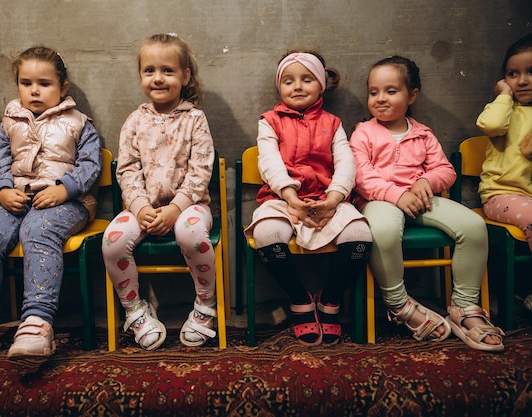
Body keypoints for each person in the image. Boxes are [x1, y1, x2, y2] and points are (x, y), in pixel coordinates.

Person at [0, 46, 101, 362]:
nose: (34, 91)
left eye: (44, 83)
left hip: (66, 202)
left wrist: (64, 189)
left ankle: (37, 322)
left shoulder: (80, 123)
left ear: (63, 87)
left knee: (38, 231)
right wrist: (0, 191)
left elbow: (91, 166)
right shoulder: (9, 122)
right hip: (13, 198)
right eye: (26, 83)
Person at [350, 55, 505, 352]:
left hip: (423, 200)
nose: (380, 98)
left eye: (391, 91)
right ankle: (398, 305)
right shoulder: (363, 133)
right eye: (373, 92)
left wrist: (425, 182)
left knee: (473, 225)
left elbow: (445, 170)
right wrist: (397, 195)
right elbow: (362, 178)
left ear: (413, 95)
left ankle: (464, 307)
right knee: (380, 229)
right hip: (381, 201)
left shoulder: (422, 134)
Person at [243, 50, 372, 346]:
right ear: (279, 86)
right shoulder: (269, 121)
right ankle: (300, 300)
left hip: (328, 199)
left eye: (306, 79)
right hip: (281, 197)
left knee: (360, 236)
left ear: (321, 85)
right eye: (288, 81)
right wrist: (290, 197)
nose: (297, 86)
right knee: (267, 235)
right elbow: (269, 162)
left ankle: (329, 299)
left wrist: (333, 198)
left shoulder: (333, 123)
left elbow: (346, 163)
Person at [102, 33, 217, 351]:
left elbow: (201, 171)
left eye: (167, 70)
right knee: (112, 243)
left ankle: (206, 306)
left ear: (185, 75)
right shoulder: (135, 121)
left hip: (191, 205)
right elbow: (126, 170)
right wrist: (139, 207)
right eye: (149, 70)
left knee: (190, 233)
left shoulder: (195, 119)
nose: (158, 78)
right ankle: (135, 311)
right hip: (143, 209)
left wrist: (176, 209)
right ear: (141, 76)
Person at [475, 33, 532, 311]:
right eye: (513, 74)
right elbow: (491, 125)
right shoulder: (505, 109)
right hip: (501, 195)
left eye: (530, 72)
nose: (522, 80)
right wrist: (505, 96)